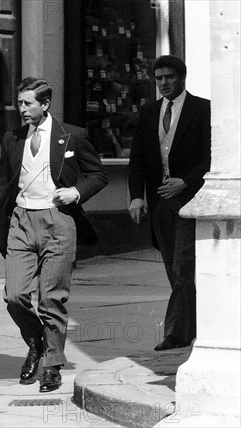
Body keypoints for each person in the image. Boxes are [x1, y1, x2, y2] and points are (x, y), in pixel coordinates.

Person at [0, 77, 107, 393]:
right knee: (14, 295)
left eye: (28, 103)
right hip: (21, 221)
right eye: (20, 102)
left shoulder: (73, 136)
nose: (22, 109)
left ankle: (52, 366)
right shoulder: (12, 138)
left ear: (45, 104)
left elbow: (99, 175)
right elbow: (1, 186)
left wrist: (77, 193)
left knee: (52, 297)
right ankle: (38, 342)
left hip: (59, 221)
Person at [128, 55, 211, 352]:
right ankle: (196, 327)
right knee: (173, 269)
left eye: (169, 77)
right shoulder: (149, 113)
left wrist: (186, 181)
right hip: (160, 201)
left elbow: (210, 156)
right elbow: (137, 157)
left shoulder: (202, 109)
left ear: (182, 78)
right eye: (159, 78)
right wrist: (136, 195)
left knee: (182, 266)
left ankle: (177, 333)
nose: (163, 83)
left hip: (189, 199)